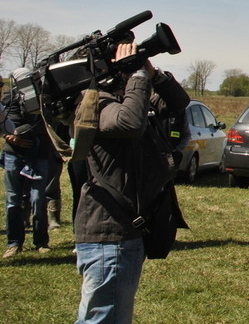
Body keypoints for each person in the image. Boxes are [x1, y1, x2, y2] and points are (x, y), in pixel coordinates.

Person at [73, 42, 190, 324]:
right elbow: (129, 123)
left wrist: (154, 75)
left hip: (124, 234)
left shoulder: (125, 98)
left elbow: (178, 104)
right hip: (109, 234)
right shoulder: (95, 102)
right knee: (103, 319)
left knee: (111, 315)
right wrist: (137, 77)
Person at [3, 68, 53, 257]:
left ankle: (41, 241)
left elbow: (48, 123)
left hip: (40, 153)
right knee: (13, 199)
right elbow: (11, 126)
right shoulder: (9, 99)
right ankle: (14, 242)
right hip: (14, 154)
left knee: (38, 199)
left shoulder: (44, 98)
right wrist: (11, 135)